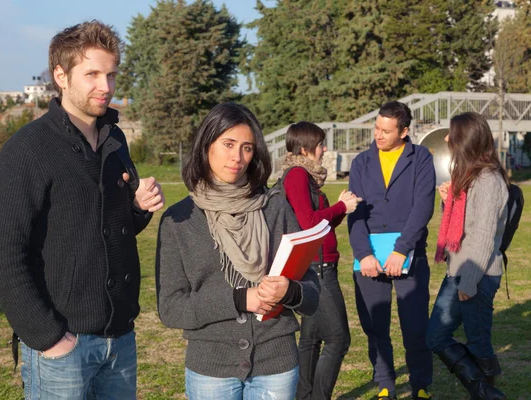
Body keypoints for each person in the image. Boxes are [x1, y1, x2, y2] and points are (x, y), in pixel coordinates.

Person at [0, 20, 164, 399]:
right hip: (62, 346)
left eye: (112, 74)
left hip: (119, 340)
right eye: (93, 74)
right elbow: (2, 257)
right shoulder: (27, 149)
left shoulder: (115, 140)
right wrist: (49, 338)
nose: (107, 87)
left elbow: (109, 228)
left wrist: (138, 208)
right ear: (61, 76)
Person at [155, 103, 320, 400]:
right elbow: (170, 308)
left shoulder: (275, 207)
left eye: (247, 148)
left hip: (276, 363)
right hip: (211, 368)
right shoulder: (179, 220)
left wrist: (290, 292)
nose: (238, 157)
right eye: (228, 144)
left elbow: (312, 294)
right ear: (206, 146)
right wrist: (241, 299)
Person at [348, 101, 435, 400]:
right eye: (376, 128)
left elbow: (423, 207)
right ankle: (385, 384)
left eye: (386, 131)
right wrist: (363, 254)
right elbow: (354, 212)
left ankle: (421, 384)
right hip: (369, 256)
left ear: (404, 131)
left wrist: (401, 250)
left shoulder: (421, 157)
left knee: (415, 326)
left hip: (409, 255)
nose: (379, 135)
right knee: (375, 327)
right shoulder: (361, 162)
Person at [426, 112, 508, 400]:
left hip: (478, 274)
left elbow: (484, 236)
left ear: (466, 140)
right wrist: (447, 200)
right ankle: (484, 390)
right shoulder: (468, 177)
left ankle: (486, 393)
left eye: (451, 134)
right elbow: (461, 224)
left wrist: (469, 283)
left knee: (478, 342)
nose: (447, 139)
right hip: (458, 270)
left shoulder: (489, 181)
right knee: (435, 336)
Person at [279, 121, 360, 399]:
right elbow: (308, 221)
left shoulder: (304, 176)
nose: (324, 149)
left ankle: (303, 396)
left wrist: (340, 208)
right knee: (339, 339)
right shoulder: (297, 175)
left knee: (311, 340)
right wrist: (341, 207)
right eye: (321, 144)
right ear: (305, 148)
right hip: (316, 270)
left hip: (317, 265)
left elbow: (318, 225)